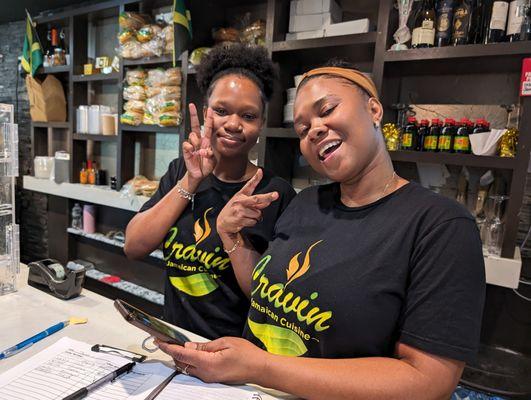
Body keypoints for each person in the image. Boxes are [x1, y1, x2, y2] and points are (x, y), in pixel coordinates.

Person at [155, 61, 486, 399]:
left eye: (326, 110)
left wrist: (261, 367)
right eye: (301, 128)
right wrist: (231, 238)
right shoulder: (307, 202)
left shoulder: (440, 226)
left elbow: (428, 381)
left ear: (373, 109)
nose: (313, 130)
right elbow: (266, 296)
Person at [124, 44, 296, 340]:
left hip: (234, 354)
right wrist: (191, 181)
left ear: (261, 124)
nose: (233, 124)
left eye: (248, 115)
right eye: (221, 111)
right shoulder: (181, 171)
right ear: (206, 114)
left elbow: (268, 298)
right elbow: (134, 246)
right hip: (176, 341)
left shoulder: (274, 194)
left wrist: (233, 237)